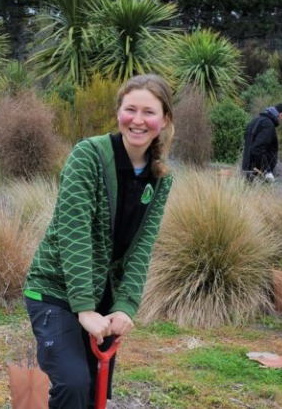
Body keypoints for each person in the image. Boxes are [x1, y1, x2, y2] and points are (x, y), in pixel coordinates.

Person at [23, 74, 175, 409]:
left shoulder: (160, 177)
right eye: (130, 109)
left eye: (149, 112)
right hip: (56, 292)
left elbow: (141, 247)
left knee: (94, 392)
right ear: (118, 112)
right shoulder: (88, 156)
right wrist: (84, 308)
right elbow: (72, 232)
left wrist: (125, 305)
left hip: (101, 299)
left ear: (164, 120)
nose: (137, 120)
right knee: (74, 384)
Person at [241, 102, 282, 182]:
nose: (280, 121)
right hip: (258, 173)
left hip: (247, 169)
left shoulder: (254, 121)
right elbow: (257, 148)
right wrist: (267, 171)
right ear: (280, 114)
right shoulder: (268, 125)